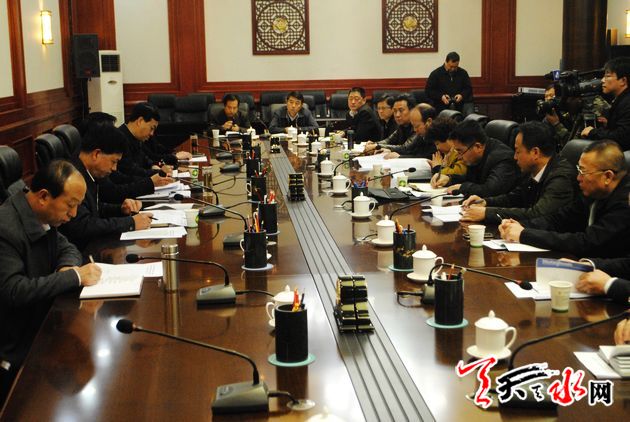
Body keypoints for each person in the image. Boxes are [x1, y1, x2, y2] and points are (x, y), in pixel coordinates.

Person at [0, 160, 102, 406]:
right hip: (15, 345)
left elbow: (68, 248)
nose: (73, 214)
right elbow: (13, 291)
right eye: (70, 205)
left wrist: (67, 268)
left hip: (39, 323)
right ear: (44, 197)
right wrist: (73, 277)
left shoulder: (38, 214)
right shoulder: (5, 228)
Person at [499, 140, 630, 258]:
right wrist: (519, 225)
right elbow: (559, 219)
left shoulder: (625, 202)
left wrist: (524, 235)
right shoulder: (593, 192)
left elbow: (586, 242)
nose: (578, 178)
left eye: (583, 172)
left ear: (607, 176)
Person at [460, 121, 576, 224]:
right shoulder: (532, 170)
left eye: (517, 151)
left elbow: (538, 214)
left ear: (535, 152)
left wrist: (487, 213)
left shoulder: (561, 178)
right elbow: (515, 198)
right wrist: (485, 202)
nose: (515, 157)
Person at [60, 124, 153, 250]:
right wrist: (130, 223)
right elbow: (82, 225)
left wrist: (120, 209)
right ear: (96, 154)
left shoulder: (87, 172)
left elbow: (94, 208)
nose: (114, 168)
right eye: (114, 161)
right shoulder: (72, 178)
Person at [81, 112, 173, 202]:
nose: (115, 134)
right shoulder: (83, 175)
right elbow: (112, 191)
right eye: (112, 131)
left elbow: (121, 177)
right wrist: (150, 182)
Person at [432, 120, 519, 197]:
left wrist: (463, 187)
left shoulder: (502, 159)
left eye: (460, 151)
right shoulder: (477, 155)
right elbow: (471, 179)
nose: (459, 156)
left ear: (478, 147)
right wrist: (449, 179)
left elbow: (490, 191)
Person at [118, 102, 184, 178]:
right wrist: (159, 172)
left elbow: (145, 159)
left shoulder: (135, 137)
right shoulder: (119, 138)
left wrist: (153, 165)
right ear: (140, 121)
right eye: (151, 128)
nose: (152, 134)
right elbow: (131, 171)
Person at [581, 57, 630, 150]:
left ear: (623, 81)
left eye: (608, 76)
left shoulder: (627, 102)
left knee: (574, 146)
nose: (602, 80)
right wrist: (609, 124)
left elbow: (623, 137)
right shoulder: (620, 99)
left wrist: (593, 132)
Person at [425, 51, 474, 116]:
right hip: (441, 106)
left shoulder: (463, 73)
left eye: (455, 67)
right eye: (451, 66)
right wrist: (441, 96)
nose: (453, 69)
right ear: (446, 62)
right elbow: (429, 91)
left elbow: (468, 88)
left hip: (460, 106)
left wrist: (461, 95)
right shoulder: (436, 74)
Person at [426, 117, 467, 182]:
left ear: (448, 139)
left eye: (437, 144)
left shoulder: (462, 152)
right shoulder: (449, 153)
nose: (437, 148)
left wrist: (437, 167)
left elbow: (457, 174)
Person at [541, 85, 571, 149]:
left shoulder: (570, 115)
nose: (548, 99)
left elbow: (572, 144)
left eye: (551, 95)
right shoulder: (547, 118)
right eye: (546, 96)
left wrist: (556, 124)